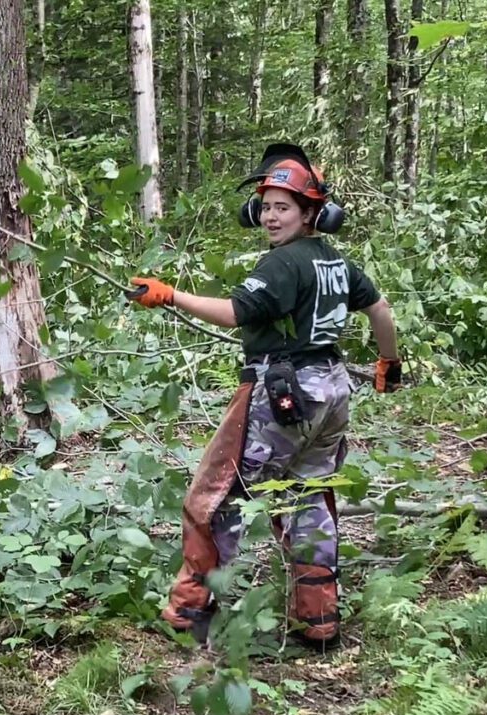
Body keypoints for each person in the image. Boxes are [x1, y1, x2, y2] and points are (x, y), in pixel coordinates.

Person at [129, 144, 400, 649]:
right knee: (308, 496)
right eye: (267, 205)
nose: (271, 217)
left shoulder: (282, 265)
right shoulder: (335, 261)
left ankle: (191, 615)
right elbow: (381, 311)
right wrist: (389, 364)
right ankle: (318, 622)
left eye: (284, 207)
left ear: (310, 213)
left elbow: (236, 312)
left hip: (283, 395)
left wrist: (170, 294)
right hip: (332, 392)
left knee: (213, 500)